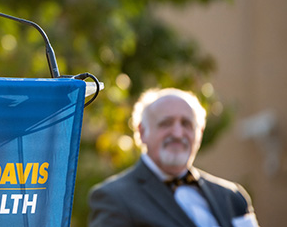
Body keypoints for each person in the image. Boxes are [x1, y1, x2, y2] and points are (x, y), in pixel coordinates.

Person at [88, 88, 259, 227]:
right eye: (166, 123)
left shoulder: (232, 196)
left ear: (199, 133)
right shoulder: (114, 198)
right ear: (142, 132)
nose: (177, 133)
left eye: (186, 124)